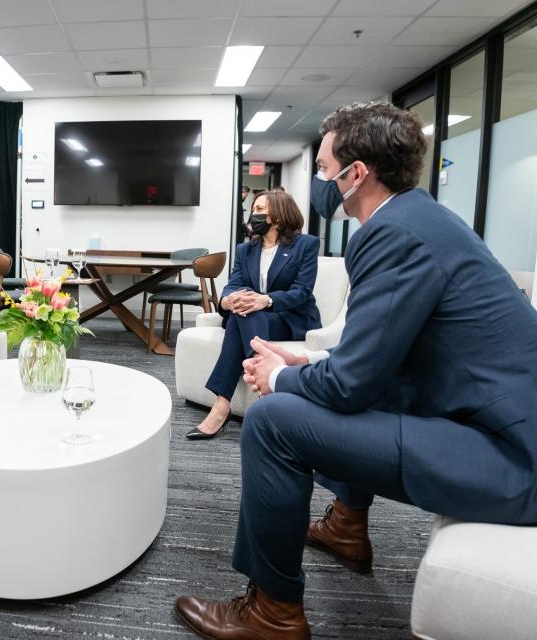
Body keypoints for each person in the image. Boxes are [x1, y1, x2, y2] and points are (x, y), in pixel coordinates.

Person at [174, 101, 537, 639]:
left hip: (512, 459)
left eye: (322, 168)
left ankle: (271, 614)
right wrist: (306, 357)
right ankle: (346, 525)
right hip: (494, 428)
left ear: (356, 173)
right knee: (343, 390)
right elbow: (381, 354)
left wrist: (277, 378)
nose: (320, 181)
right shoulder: (421, 218)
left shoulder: (392, 234)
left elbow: (351, 385)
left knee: (274, 420)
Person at [187, 191, 320, 440]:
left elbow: (301, 292)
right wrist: (227, 300)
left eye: (259, 209)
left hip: (289, 317)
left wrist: (265, 300)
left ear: (278, 216)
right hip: (253, 318)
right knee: (243, 312)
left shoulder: (306, 245)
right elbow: (233, 284)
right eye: (254, 209)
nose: (253, 215)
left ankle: (220, 406)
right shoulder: (245, 249)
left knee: (246, 313)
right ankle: (263, 383)